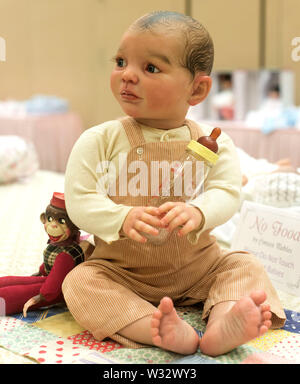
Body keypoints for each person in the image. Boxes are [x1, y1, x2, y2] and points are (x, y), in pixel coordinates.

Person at [62, 11, 286, 357]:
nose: (127, 76)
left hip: (198, 268)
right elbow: (79, 201)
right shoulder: (99, 140)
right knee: (79, 282)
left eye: (150, 68)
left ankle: (224, 322)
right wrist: (120, 218)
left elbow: (227, 193)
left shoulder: (214, 142)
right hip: (122, 271)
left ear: (197, 89)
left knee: (244, 264)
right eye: (121, 62)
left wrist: (198, 211)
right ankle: (157, 328)